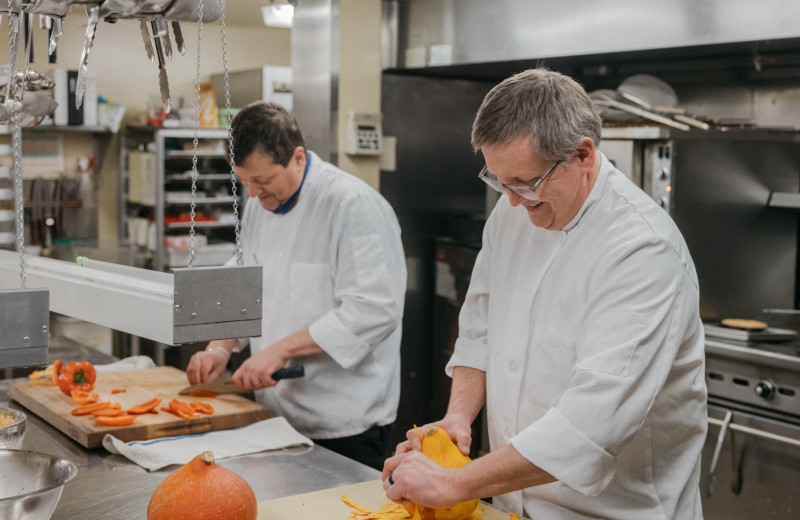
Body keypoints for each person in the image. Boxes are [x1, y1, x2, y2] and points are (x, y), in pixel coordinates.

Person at [382, 68, 707, 519]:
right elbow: (480, 327)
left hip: (612, 511)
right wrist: (458, 416)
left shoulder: (642, 249)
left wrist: (453, 481)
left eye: (526, 183)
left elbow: (592, 423)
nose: (513, 201)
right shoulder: (513, 211)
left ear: (584, 155)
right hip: (514, 502)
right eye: (499, 182)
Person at [186, 101, 407, 471]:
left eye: (263, 180)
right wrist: (220, 348)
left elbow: (374, 309)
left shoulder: (353, 206)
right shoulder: (261, 203)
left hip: (345, 423)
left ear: (298, 157)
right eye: (245, 181)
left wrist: (279, 350)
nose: (254, 193)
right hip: (274, 412)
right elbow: (247, 277)